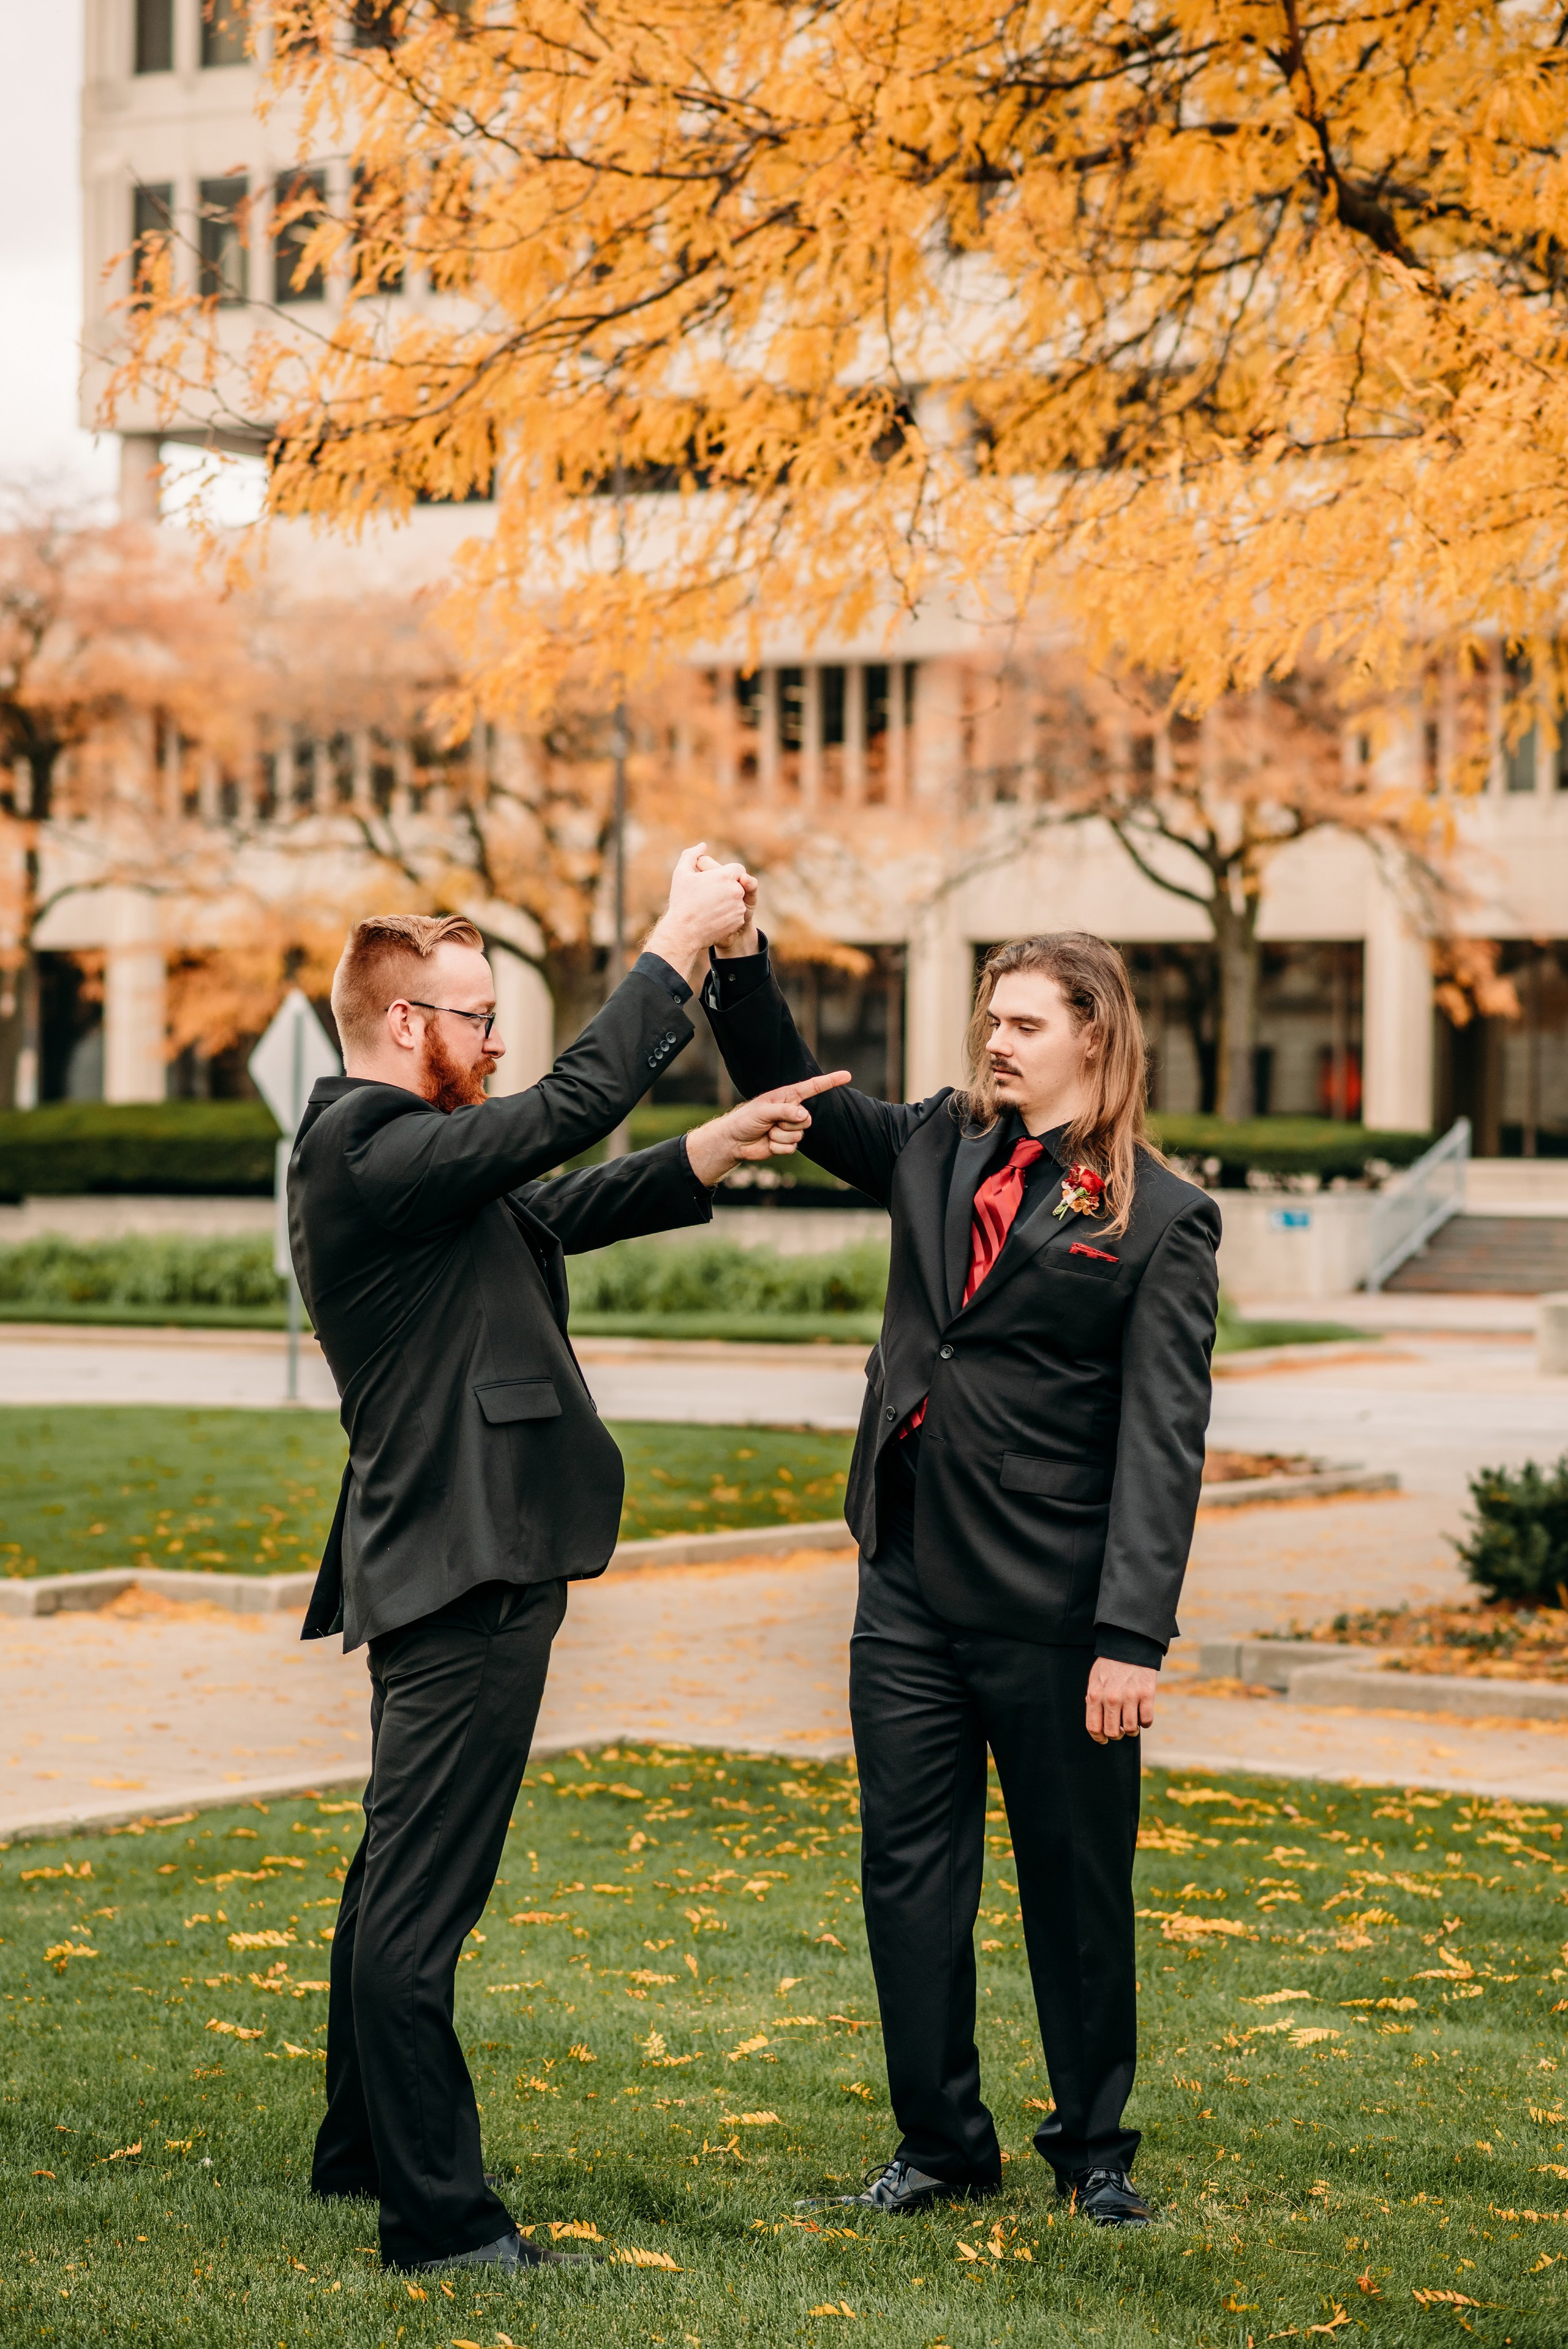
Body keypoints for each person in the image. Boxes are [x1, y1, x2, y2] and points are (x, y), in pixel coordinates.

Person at [290, 848, 843, 2277]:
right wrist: (671, 943)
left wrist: (704, 1153)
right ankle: (443, 2221)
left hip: (451, 1549)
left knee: (388, 1879)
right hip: (463, 1561)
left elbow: (539, 1210)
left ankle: (361, 2147)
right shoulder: (367, 1142)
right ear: (408, 1022)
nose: (492, 1045)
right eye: (476, 1019)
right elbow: (568, 1111)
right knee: (420, 1904)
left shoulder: (402, 1160)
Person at [701, 907, 1221, 2228]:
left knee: (1074, 1883)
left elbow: (1162, 1443)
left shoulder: (1161, 1219)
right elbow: (795, 1095)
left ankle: (1093, 2150)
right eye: (989, 1018)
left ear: (1090, 1036)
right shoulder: (931, 1142)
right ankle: (937, 2143)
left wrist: (1131, 1636)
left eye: (1022, 1022)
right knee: (908, 1874)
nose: (993, 1039)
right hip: (906, 1585)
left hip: (1055, 1611)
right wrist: (738, 960)